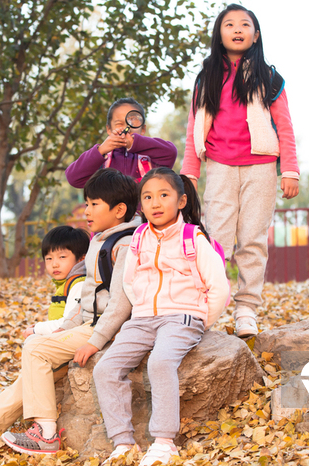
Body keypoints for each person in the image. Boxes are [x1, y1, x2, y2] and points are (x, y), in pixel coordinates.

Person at [0, 168, 141, 455]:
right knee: (31, 370)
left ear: (119, 210)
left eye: (94, 204)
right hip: (87, 327)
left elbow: (121, 304)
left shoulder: (126, 245)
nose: (87, 210)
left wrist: (95, 341)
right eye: (87, 202)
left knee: (35, 349)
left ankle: (45, 433)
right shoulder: (98, 240)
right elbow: (87, 300)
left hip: (108, 332)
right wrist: (64, 328)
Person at [93, 168, 230, 466]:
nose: (155, 203)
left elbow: (219, 286)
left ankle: (165, 442)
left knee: (160, 361)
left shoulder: (192, 237)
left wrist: (200, 320)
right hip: (142, 319)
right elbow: (129, 281)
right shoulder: (139, 237)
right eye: (148, 197)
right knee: (105, 368)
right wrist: (141, 308)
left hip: (182, 317)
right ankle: (124, 443)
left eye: (163, 195)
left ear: (181, 201)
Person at [180, 4, 300, 338]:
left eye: (244, 24)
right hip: (219, 166)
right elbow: (194, 126)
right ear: (219, 34)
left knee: (252, 240)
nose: (237, 29)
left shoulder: (269, 77)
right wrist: (189, 171)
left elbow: (285, 127)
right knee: (215, 238)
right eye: (229, 24)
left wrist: (290, 170)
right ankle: (211, 307)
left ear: (255, 34)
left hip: (261, 168)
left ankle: (246, 309)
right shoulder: (207, 77)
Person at [65, 98, 177, 188]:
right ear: (109, 129)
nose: (126, 127)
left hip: (144, 215)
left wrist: (134, 143)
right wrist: (101, 150)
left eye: (133, 121)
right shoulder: (101, 162)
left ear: (142, 129)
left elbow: (170, 153)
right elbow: (74, 178)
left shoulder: (151, 157)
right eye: (119, 123)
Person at [22, 226, 89, 340]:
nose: (54, 264)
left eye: (62, 257)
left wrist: (36, 329)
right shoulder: (65, 283)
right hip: (63, 336)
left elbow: (68, 323)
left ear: (81, 259)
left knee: (32, 341)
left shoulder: (79, 284)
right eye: (49, 258)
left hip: (73, 338)